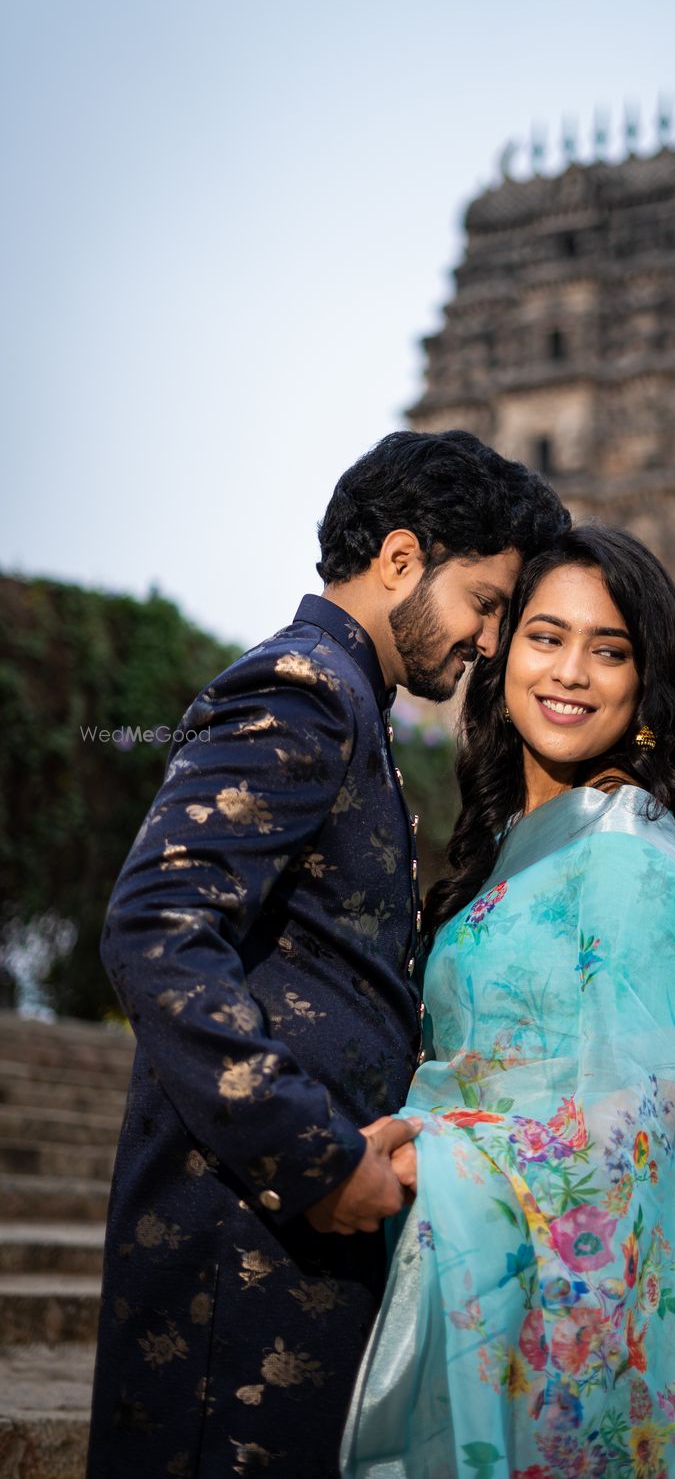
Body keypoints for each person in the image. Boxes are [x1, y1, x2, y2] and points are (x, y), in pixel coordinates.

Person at [85, 430, 571, 1479]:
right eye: (484, 604)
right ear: (401, 559)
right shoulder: (305, 687)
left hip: (285, 1241)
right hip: (235, 1247)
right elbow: (155, 925)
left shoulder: (356, 703)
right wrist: (314, 1156)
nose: (489, 644)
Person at [342, 525, 675, 1479]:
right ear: (502, 650)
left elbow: (662, 1106)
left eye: (610, 651)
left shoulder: (629, 848)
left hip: (530, 1266)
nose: (571, 672)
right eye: (546, 637)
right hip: (443, 1241)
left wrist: (452, 1154)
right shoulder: (519, 839)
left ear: (645, 689)